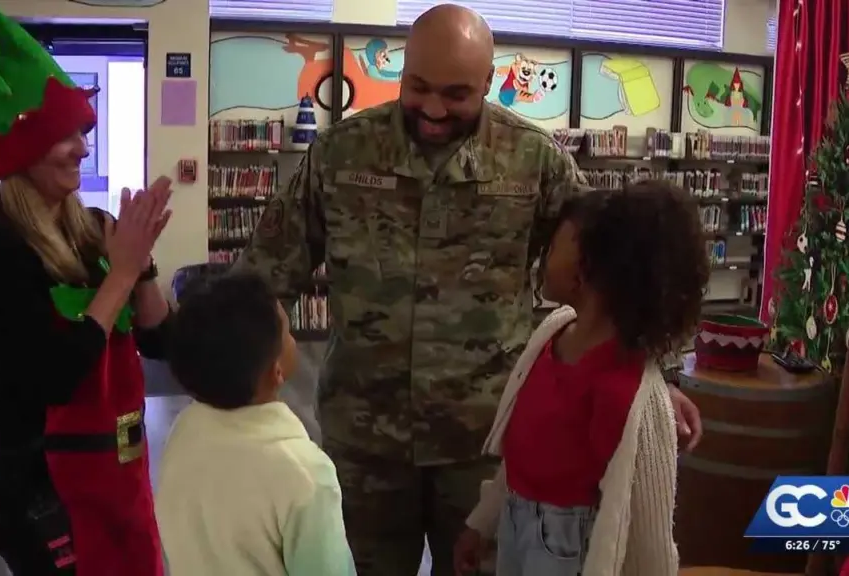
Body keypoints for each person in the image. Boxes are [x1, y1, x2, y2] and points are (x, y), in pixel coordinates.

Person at [232, 5, 704, 574]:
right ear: (402, 72)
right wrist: (235, 391)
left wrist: (655, 376)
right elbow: (265, 274)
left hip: (483, 443)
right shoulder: (341, 154)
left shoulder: (534, 161)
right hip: (365, 440)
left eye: (455, 94)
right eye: (418, 87)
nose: (432, 109)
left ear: (488, 82)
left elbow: (619, 268)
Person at [0, 1, 171, 574]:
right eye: (66, 136)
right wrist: (119, 274)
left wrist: (140, 265)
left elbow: (160, 340)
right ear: (22, 149)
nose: (83, 148)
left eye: (83, 133)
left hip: (122, 468)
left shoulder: (94, 225)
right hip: (45, 482)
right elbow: (52, 374)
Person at [454, 182, 708, 575]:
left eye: (554, 248)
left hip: (570, 548)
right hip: (516, 526)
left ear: (588, 269)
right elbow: (520, 457)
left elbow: (651, 530)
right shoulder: (552, 333)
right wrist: (481, 522)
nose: (543, 258)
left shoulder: (625, 389)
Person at [157, 271, 356, 576]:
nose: (293, 341)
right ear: (275, 370)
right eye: (288, 333)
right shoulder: (305, 472)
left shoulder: (182, 432)